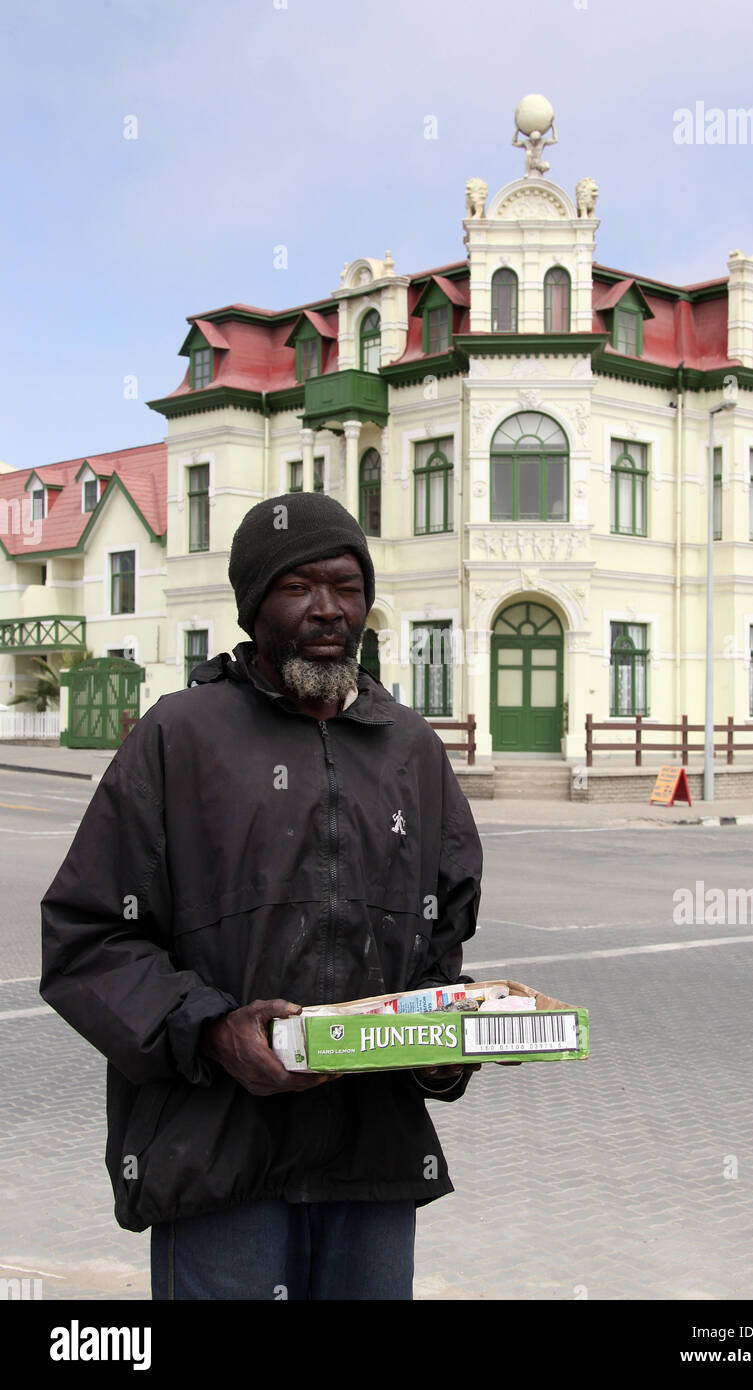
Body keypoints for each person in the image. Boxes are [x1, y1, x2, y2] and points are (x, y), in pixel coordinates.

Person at [40, 492, 483, 1301]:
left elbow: (436, 951)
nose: (327, 610)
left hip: (370, 1163)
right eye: (297, 587)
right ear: (252, 608)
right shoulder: (178, 737)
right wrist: (209, 1031)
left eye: (346, 586)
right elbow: (89, 941)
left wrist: (439, 1045)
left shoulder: (412, 749)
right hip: (216, 1158)